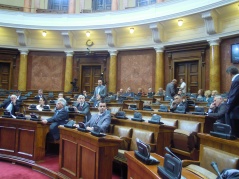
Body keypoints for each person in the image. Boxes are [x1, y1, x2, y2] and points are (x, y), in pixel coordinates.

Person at [225, 66, 239, 137]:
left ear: (230, 73)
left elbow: (233, 97)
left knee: (235, 135)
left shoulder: (236, 80)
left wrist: (227, 109)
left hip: (235, 112)